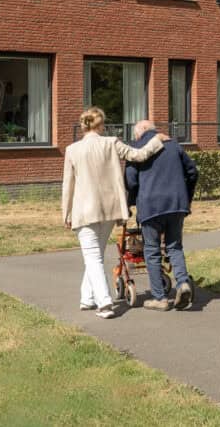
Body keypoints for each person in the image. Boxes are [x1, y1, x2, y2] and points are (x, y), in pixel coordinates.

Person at [62, 107, 168, 319]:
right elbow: (139, 155)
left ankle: (104, 303)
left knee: (92, 257)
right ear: (100, 125)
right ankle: (87, 298)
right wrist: (156, 140)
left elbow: (68, 186)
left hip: (85, 211)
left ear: (84, 125)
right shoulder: (112, 143)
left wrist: (66, 213)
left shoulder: (72, 150)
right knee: (96, 255)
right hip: (109, 210)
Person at [125, 120, 198, 311]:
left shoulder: (136, 147)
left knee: (152, 249)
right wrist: (186, 197)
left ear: (139, 133)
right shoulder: (173, 145)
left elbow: (131, 181)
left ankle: (160, 297)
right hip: (176, 204)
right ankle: (182, 283)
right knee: (174, 246)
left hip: (150, 206)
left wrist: (131, 203)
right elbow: (192, 172)